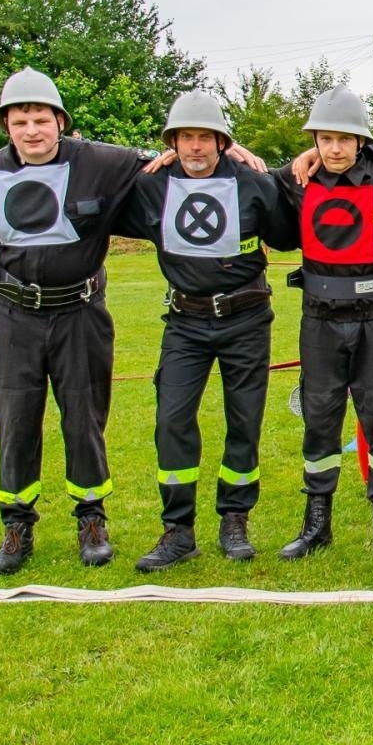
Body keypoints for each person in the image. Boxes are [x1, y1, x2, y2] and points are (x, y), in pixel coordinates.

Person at [0, 67, 149, 574]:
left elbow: (169, 163)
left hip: (80, 314)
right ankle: (16, 526)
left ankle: (92, 520)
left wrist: (230, 147)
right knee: (15, 421)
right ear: (7, 127)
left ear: (60, 121)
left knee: (84, 418)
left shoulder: (99, 163)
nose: (32, 130)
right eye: (20, 122)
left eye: (41, 119)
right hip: (14, 315)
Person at [113, 90, 299, 571]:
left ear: (222, 141)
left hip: (247, 318)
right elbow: (91, 167)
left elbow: (288, 232)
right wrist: (140, 156)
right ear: (171, 143)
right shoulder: (151, 185)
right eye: (185, 138)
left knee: (244, 422)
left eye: (206, 137)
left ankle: (234, 519)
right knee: (172, 420)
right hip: (185, 323)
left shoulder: (252, 182)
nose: (196, 147)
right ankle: (178, 530)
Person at [273, 85, 373, 562]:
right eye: (324, 139)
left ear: (361, 141)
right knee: (319, 421)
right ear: (314, 141)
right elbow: (244, 178)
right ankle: (316, 524)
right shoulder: (297, 179)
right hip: (318, 317)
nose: (335, 149)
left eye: (345, 138)